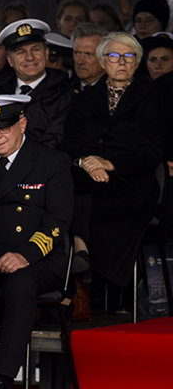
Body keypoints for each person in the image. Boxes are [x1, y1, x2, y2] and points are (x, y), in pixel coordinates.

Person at [0, 95, 73, 389]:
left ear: (22, 123)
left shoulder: (51, 161)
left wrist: (25, 253)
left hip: (38, 258)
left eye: (4, 128)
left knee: (20, 282)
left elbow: (58, 220)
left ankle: (4, 380)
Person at [61, 32, 164, 305]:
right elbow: (69, 142)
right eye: (114, 56)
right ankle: (81, 249)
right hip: (88, 172)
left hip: (132, 179)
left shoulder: (151, 97)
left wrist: (111, 164)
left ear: (137, 62)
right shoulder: (84, 98)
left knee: (99, 197)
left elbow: (152, 153)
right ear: (102, 61)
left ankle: (90, 264)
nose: (122, 61)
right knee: (67, 182)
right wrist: (85, 161)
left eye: (129, 56)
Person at [0, 19, 72, 147]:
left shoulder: (66, 93)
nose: (30, 57)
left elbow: (56, 143)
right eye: (21, 52)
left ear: (46, 53)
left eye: (36, 49)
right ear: (10, 60)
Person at [70, 23, 107, 93]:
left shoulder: (117, 93)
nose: (80, 61)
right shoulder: (63, 90)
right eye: (77, 53)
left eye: (88, 54)